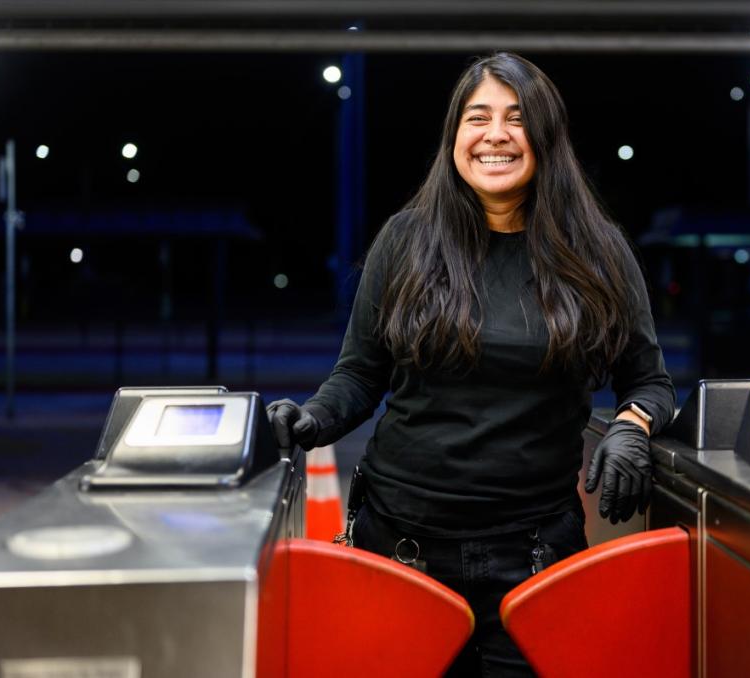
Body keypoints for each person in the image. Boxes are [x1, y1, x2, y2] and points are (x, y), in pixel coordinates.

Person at [268, 52, 675, 676]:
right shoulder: (407, 240)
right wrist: (313, 421)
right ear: (454, 136)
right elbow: (360, 374)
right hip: (400, 545)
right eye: (477, 117)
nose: (495, 135)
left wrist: (631, 427)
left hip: (535, 556)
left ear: (545, 137)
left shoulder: (598, 252)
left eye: (517, 118)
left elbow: (647, 381)